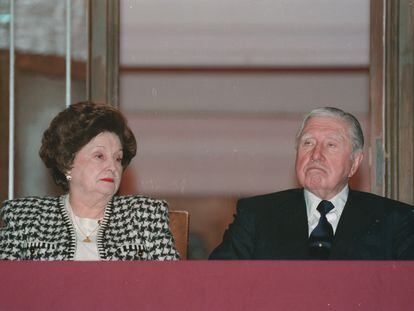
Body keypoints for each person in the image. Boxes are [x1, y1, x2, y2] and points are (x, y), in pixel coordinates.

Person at [210, 107, 414, 260]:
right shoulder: (256, 215)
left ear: (355, 162)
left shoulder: (396, 220)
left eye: (331, 145)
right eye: (307, 143)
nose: (316, 155)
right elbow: (217, 282)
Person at [0, 101, 179, 260]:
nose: (113, 167)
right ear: (67, 163)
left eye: (118, 158)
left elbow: (171, 285)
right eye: (99, 156)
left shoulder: (145, 216)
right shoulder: (25, 218)